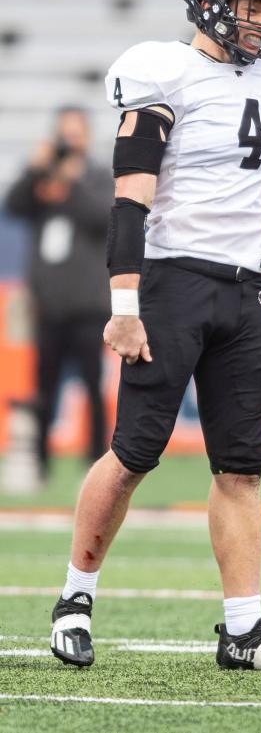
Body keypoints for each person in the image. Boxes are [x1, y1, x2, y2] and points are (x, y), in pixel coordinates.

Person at [49, 0, 261, 672]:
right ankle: (75, 598)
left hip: (243, 287)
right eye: (252, 6)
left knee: (242, 464)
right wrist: (125, 302)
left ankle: (244, 627)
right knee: (135, 450)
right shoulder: (163, 72)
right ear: (210, 2)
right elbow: (129, 200)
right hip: (171, 281)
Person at [4, 107, 113, 482]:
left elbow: (104, 218)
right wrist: (36, 170)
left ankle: (96, 462)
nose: (70, 141)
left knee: (91, 386)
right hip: (47, 305)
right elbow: (14, 206)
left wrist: (73, 182)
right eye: (64, 133)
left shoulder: (98, 176)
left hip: (88, 305)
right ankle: (39, 463)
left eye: (76, 133)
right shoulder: (43, 177)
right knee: (43, 389)